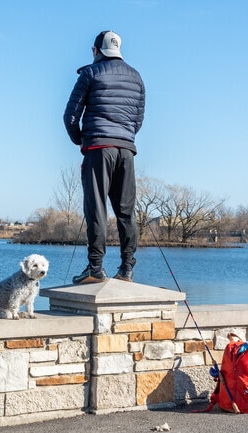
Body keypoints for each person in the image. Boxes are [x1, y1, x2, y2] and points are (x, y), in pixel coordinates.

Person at [63, 30, 146, 284]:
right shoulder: (136, 77)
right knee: (126, 211)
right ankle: (127, 269)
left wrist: (81, 140)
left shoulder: (89, 73)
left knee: (96, 208)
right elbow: (138, 120)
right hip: (126, 149)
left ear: (95, 50)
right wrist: (124, 138)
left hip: (98, 148)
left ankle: (95, 268)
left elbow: (70, 116)